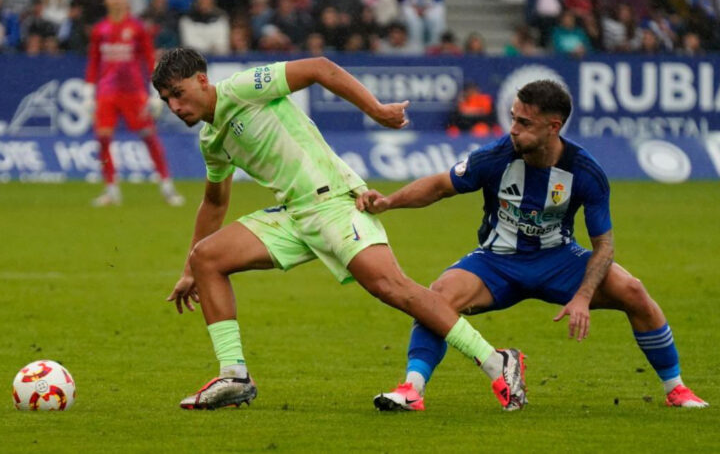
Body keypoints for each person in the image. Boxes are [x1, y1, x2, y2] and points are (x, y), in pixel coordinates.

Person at [152, 47, 528, 411]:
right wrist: (189, 271)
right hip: (294, 214)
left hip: (332, 200)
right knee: (206, 258)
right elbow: (215, 203)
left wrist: (377, 111)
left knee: (392, 288)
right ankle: (233, 375)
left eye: (178, 93)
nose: (174, 106)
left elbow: (319, 66)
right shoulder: (210, 140)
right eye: (166, 99)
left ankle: (497, 361)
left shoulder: (242, 87)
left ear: (202, 80)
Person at [357, 80, 709, 411]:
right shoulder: (495, 156)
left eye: (524, 122)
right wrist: (388, 203)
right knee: (436, 297)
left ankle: (676, 388)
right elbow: (438, 186)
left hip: (559, 260)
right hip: (497, 261)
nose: (513, 129)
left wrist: (583, 296)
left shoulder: (586, 172)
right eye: (513, 119)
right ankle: (412, 389)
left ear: (553, 127)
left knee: (633, 291)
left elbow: (604, 245)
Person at [84, 0, 184, 207]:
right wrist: (88, 92)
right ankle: (111, 189)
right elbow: (94, 62)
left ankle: (167, 187)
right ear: (106, 0)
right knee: (103, 138)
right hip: (107, 93)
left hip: (133, 92)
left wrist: (155, 92)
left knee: (149, 137)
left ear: (125, 0)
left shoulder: (137, 28)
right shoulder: (100, 30)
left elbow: (150, 60)